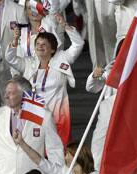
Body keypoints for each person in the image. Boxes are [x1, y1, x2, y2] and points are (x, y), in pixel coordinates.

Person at [5, 15, 84, 145]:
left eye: (44, 45)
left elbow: (79, 44)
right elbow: (11, 59)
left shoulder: (62, 58)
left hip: (57, 115)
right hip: (34, 115)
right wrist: (14, 41)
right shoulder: (29, 64)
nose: (40, 47)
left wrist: (65, 25)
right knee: (37, 151)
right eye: (37, 44)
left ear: (53, 49)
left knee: (58, 151)